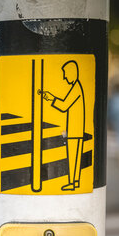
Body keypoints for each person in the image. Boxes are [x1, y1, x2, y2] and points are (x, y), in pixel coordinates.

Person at [41, 60, 86, 191]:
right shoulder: (77, 87)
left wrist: (50, 98)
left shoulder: (76, 88)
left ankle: (73, 183)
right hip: (76, 129)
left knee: (73, 156)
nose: (65, 77)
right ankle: (75, 182)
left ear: (73, 73)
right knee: (75, 157)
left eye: (66, 73)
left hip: (75, 130)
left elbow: (64, 106)